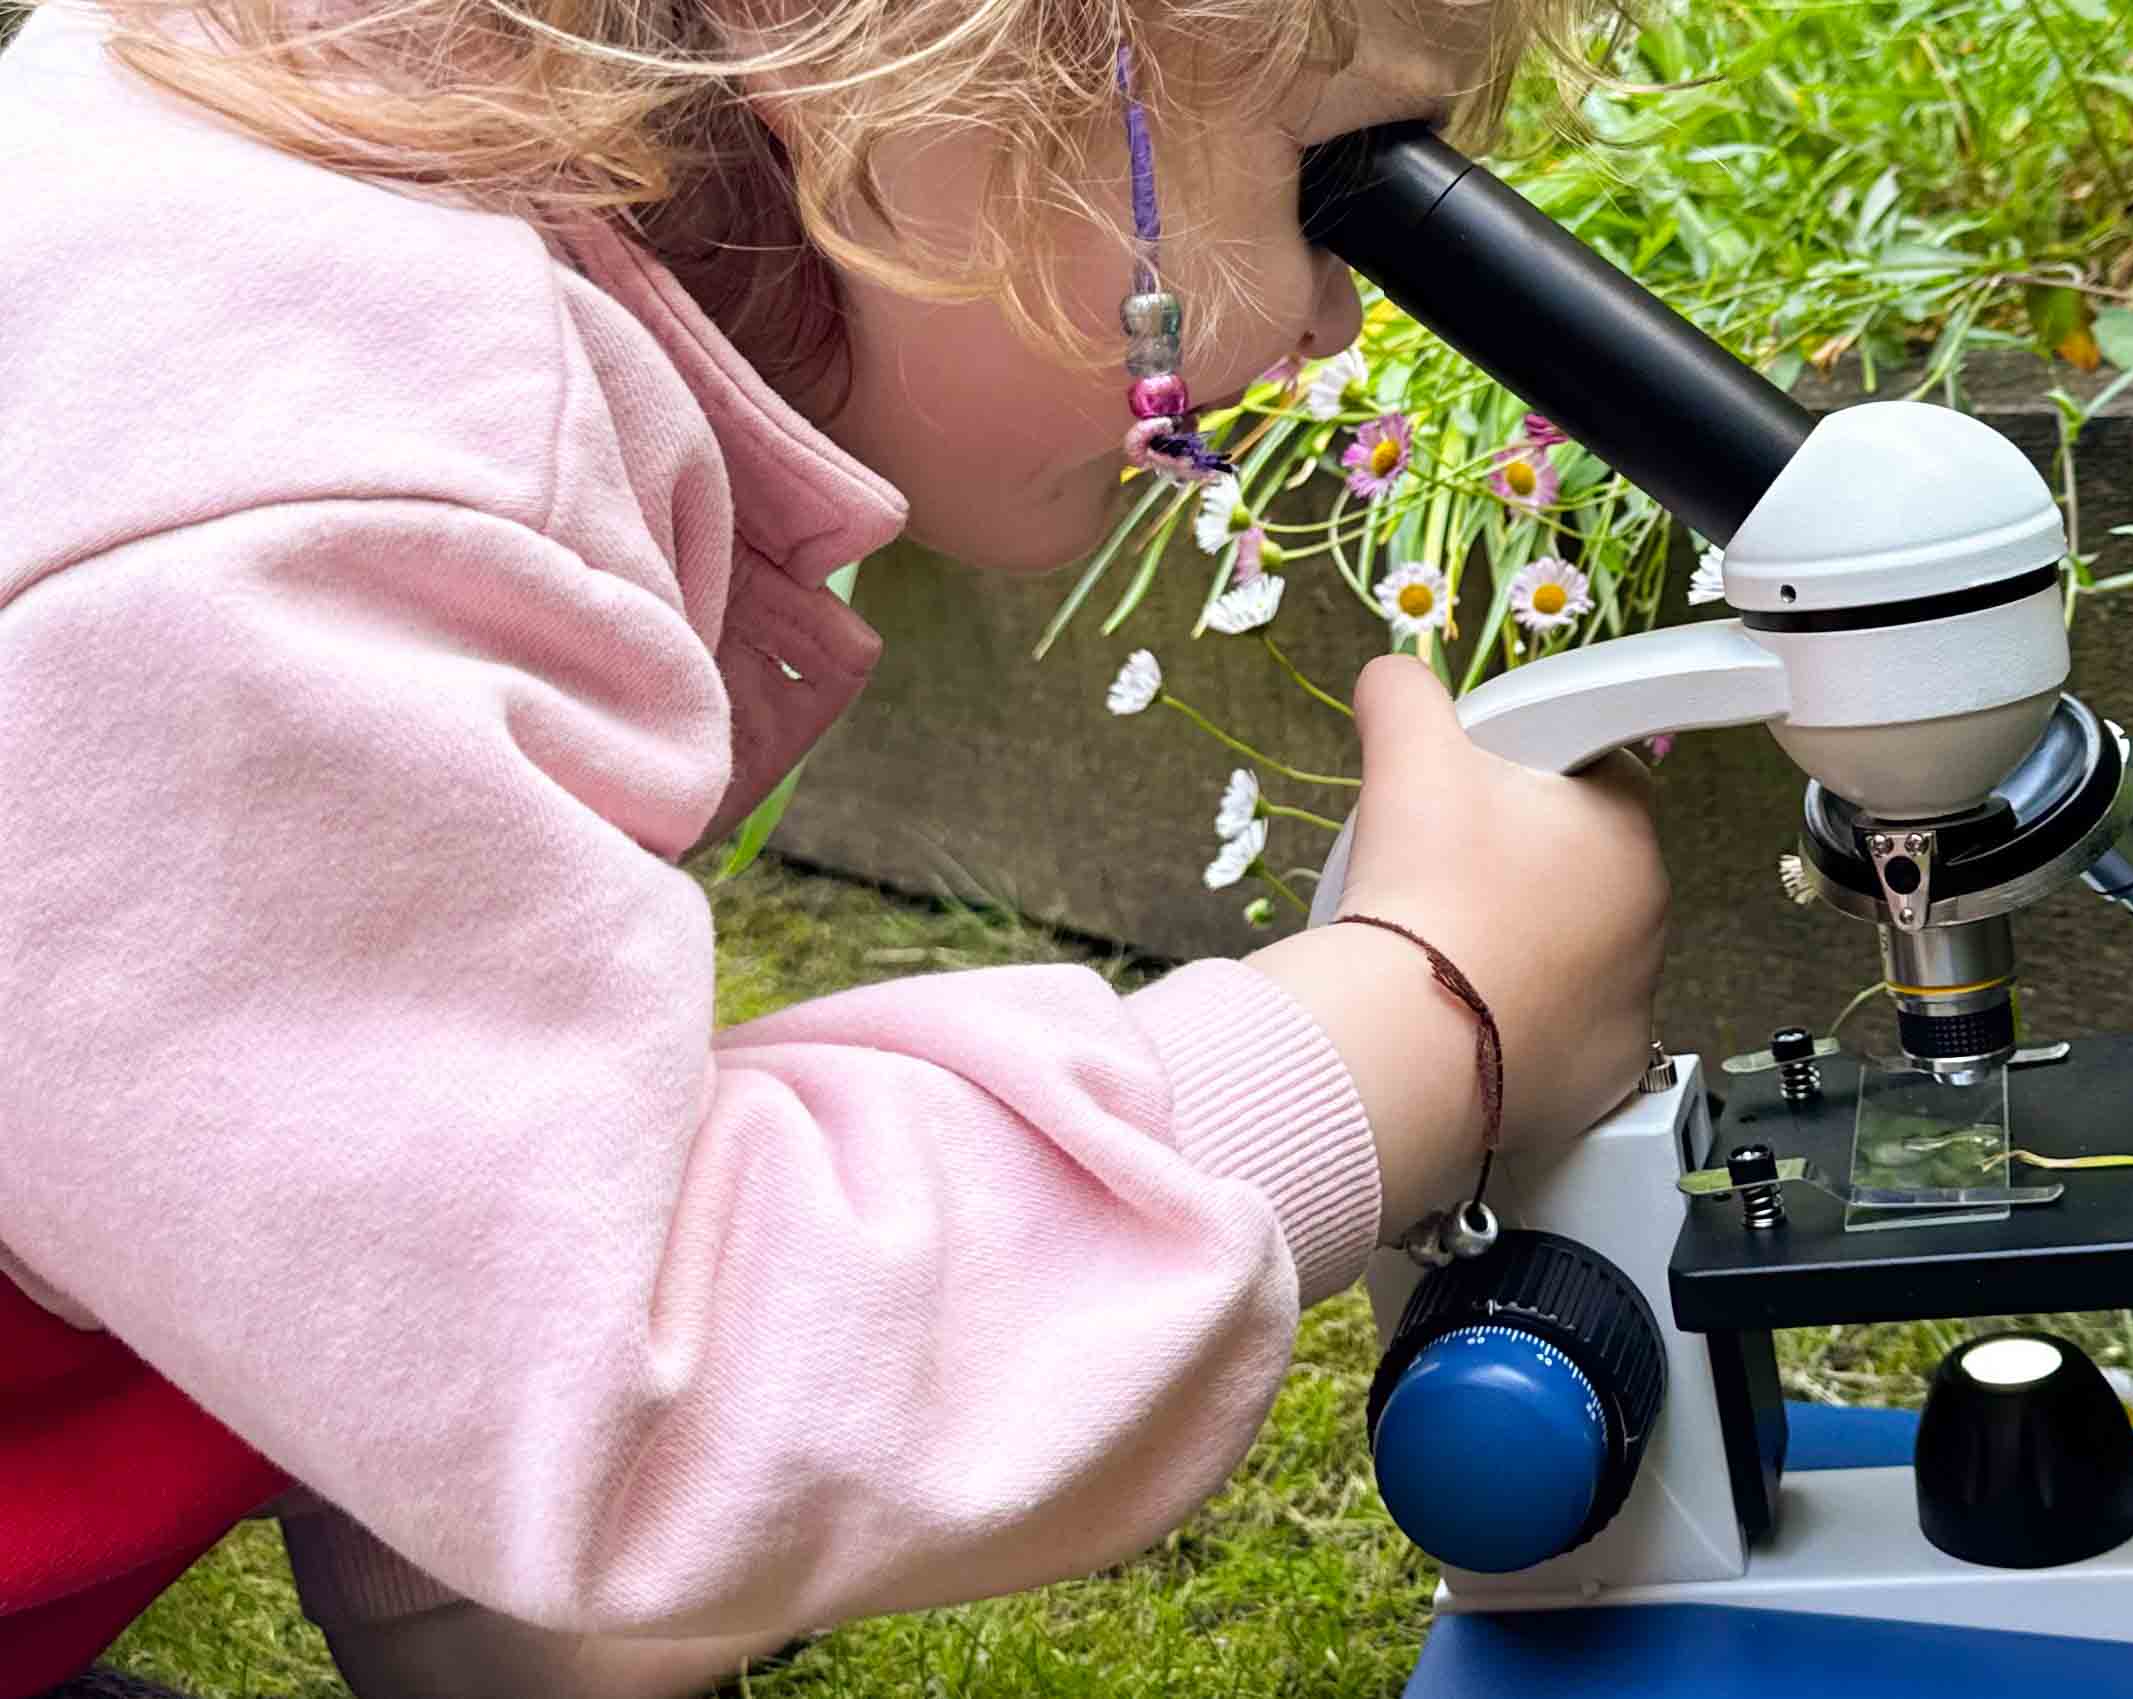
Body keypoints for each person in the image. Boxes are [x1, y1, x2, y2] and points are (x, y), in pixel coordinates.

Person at [0, 0, 1670, 1688]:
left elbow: (345, 1171)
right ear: (923, 61)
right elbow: (634, 1375)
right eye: (1333, 178)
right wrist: (1412, 1023)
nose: (1336, 322)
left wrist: (459, 1557)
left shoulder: (299, 244)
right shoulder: (320, 470)